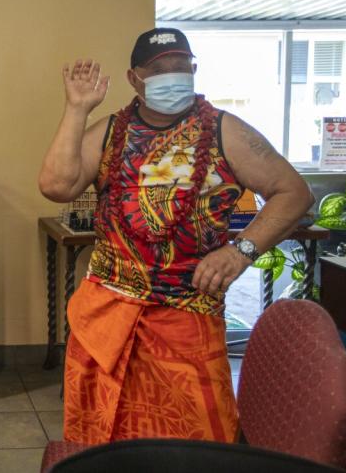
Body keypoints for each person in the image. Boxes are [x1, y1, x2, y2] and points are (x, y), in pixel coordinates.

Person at [38, 28, 314, 444]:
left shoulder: (226, 131)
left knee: (200, 442)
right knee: (102, 442)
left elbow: (295, 193)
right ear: (134, 78)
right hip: (108, 316)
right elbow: (56, 186)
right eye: (158, 69)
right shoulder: (110, 132)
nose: (172, 77)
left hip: (189, 319)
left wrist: (240, 253)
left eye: (181, 67)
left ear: (195, 69)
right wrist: (77, 110)